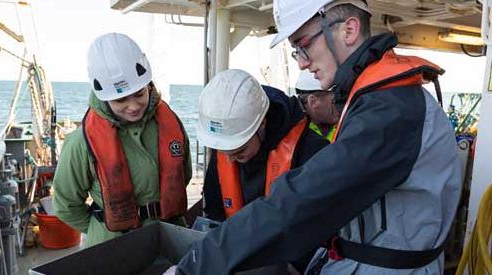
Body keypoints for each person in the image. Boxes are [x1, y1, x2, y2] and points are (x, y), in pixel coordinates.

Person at [170, 0, 461, 274]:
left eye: (303, 45)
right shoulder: (379, 102)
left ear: (348, 30)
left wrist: (197, 265)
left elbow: (302, 202)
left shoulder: (390, 111)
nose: (301, 63)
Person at [52, 33, 191, 247]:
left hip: (169, 236)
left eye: (139, 94)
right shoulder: (80, 143)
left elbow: (185, 173)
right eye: (121, 99)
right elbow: (66, 205)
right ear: (104, 96)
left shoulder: (171, 125)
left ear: (149, 86)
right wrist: (101, 228)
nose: (133, 106)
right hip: (113, 245)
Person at [199, 69, 328, 223]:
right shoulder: (226, 140)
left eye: (240, 150)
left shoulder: (313, 152)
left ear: (262, 125)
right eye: (224, 151)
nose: (230, 159)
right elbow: (214, 211)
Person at [295, 70, 339, 141]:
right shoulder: (295, 134)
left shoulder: (346, 124)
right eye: (335, 100)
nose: (341, 104)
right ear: (313, 102)